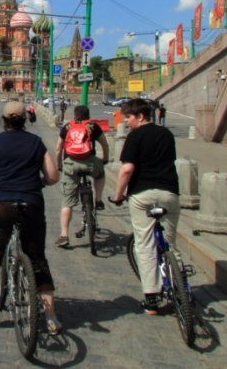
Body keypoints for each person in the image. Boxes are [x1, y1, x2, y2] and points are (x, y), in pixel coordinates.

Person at [0, 100, 62, 334]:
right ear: (26, 119)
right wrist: (43, 182)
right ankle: (51, 318)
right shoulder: (36, 143)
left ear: (4, 120)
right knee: (37, 259)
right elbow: (53, 176)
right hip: (31, 204)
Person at [111, 97, 179, 315]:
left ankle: (151, 298)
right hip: (169, 192)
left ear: (140, 116)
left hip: (142, 193)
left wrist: (119, 194)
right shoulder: (166, 134)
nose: (127, 122)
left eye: (128, 117)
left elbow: (127, 170)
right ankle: (179, 286)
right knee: (169, 242)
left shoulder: (135, 136)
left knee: (145, 244)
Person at [54, 105, 110, 248]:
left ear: (75, 116)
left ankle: (64, 235)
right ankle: (98, 199)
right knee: (100, 174)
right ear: (88, 116)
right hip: (90, 162)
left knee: (67, 202)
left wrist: (59, 164)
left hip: (71, 165)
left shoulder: (67, 127)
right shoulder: (93, 126)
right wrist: (105, 159)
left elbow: (58, 148)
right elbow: (104, 144)